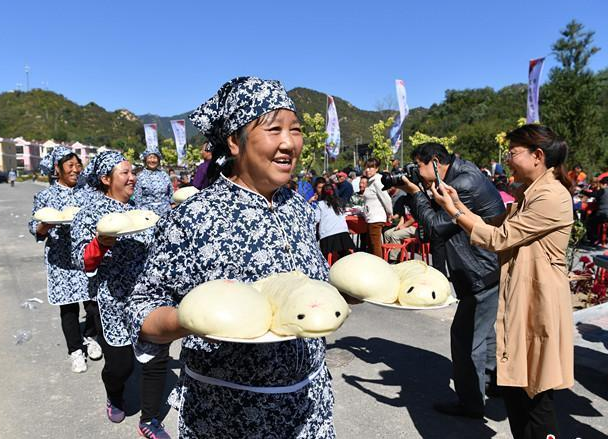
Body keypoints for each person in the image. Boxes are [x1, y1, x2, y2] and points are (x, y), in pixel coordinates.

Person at [128, 77, 339, 438]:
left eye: (296, 130)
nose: (289, 142)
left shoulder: (299, 211)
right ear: (233, 142)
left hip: (308, 409)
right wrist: (189, 318)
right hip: (228, 415)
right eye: (274, 130)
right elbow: (142, 308)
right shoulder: (195, 217)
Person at [430, 125, 574, 439]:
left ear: (537, 156)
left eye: (512, 153)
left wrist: (453, 212)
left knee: (536, 392)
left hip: (538, 304)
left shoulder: (550, 196)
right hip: (522, 299)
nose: (507, 160)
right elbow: (489, 224)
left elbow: (498, 238)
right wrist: (457, 202)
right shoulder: (530, 193)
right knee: (515, 387)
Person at [399, 142, 505, 419]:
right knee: (485, 331)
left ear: (435, 161)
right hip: (486, 268)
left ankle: (471, 403)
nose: (418, 174)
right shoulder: (460, 174)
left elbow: (435, 225)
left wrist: (414, 194)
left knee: (465, 338)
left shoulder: (464, 184)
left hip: (480, 270)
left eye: (419, 167)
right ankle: (493, 385)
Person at [71, 151, 171, 438]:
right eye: (125, 173)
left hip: (148, 297)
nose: (132, 177)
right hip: (112, 300)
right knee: (120, 365)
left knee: (156, 358)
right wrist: (102, 241)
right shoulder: (90, 213)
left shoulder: (141, 210)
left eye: (132, 172)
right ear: (105, 179)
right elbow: (83, 261)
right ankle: (114, 394)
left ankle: (150, 420)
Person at [28, 147, 102, 373]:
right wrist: (45, 225)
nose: (75, 169)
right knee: (68, 308)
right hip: (61, 260)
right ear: (56, 169)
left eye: (77, 165)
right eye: (69, 166)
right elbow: (34, 227)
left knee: (93, 305)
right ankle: (75, 350)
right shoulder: (45, 196)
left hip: (85, 256)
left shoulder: (87, 192)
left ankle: (90, 336)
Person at [315, 183, 356, 261]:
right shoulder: (339, 203)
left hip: (327, 236)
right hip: (343, 234)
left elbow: (316, 219)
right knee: (345, 253)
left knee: (327, 256)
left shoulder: (320, 204)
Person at [363, 158, 392, 258]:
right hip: (371, 218)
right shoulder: (370, 181)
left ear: (377, 169)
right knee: (371, 246)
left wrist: (390, 214)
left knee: (375, 246)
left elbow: (386, 199)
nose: (368, 170)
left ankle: (380, 267)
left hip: (376, 218)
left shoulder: (377, 181)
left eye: (371, 167)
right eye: (366, 167)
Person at [133, 147, 173, 216]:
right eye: (150, 157)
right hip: (147, 214)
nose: (152, 160)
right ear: (145, 160)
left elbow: (171, 193)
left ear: (158, 160)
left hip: (165, 212)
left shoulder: (164, 175)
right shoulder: (140, 176)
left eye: (155, 158)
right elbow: (137, 197)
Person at [585, 176, 608, 243]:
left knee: (590, 221)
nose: (600, 186)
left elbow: (593, 194)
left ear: (605, 184)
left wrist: (583, 191)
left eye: (601, 184)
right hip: (605, 213)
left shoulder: (603, 190)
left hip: (603, 213)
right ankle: (602, 238)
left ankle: (594, 239)